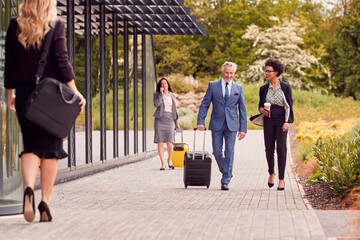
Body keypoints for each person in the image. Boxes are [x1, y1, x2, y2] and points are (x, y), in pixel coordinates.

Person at [4, 0, 86, 222]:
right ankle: (44, 203)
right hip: (50, 97)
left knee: (31, 146)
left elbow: (10, 63)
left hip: (24, 96)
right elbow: (62, 61)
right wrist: (75, 91)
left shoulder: (14, 25)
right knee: (51, 149)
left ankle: (29, 189)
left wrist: (11, 92)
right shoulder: (56, 25)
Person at [197, 61, 247, 191]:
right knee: (217, 152)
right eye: (227, 73)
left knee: (229, 152)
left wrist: (243, 129)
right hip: (216, 123)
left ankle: (225, 180)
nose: (229, 75)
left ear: (234, 73)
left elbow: (242, 109)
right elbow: (205, 104)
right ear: (222, 72)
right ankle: (227, 170)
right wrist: (201, 121)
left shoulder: (238, 88)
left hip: (232, 125)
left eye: (231, 73)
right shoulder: (213, 86)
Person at [258, 58, 294, 191]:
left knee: (281, 148)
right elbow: (260, 106)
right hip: (268, 119)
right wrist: (262, 110)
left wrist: (287, 121)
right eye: (266, 71)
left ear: (276, 72)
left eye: (269, 71)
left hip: (281, 118)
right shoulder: (263, 88)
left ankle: (281, 179)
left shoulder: (285, 87)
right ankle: (271, 173)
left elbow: (289, 105)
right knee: (268, 148)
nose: (266, 73)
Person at [153, 78, 180, 170]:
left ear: (168, 84)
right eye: (162, 84)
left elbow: (175, 110)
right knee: (160, 142)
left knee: (170, 142)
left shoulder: (173, 95)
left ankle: (169, 160)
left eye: (165, 83)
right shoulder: (157, 95)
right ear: (160, 86)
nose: (164, 85)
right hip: (160, 120)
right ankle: (163, 163)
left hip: (170, 120)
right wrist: (161, 94)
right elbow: (156, 104)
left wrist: (177, 123)